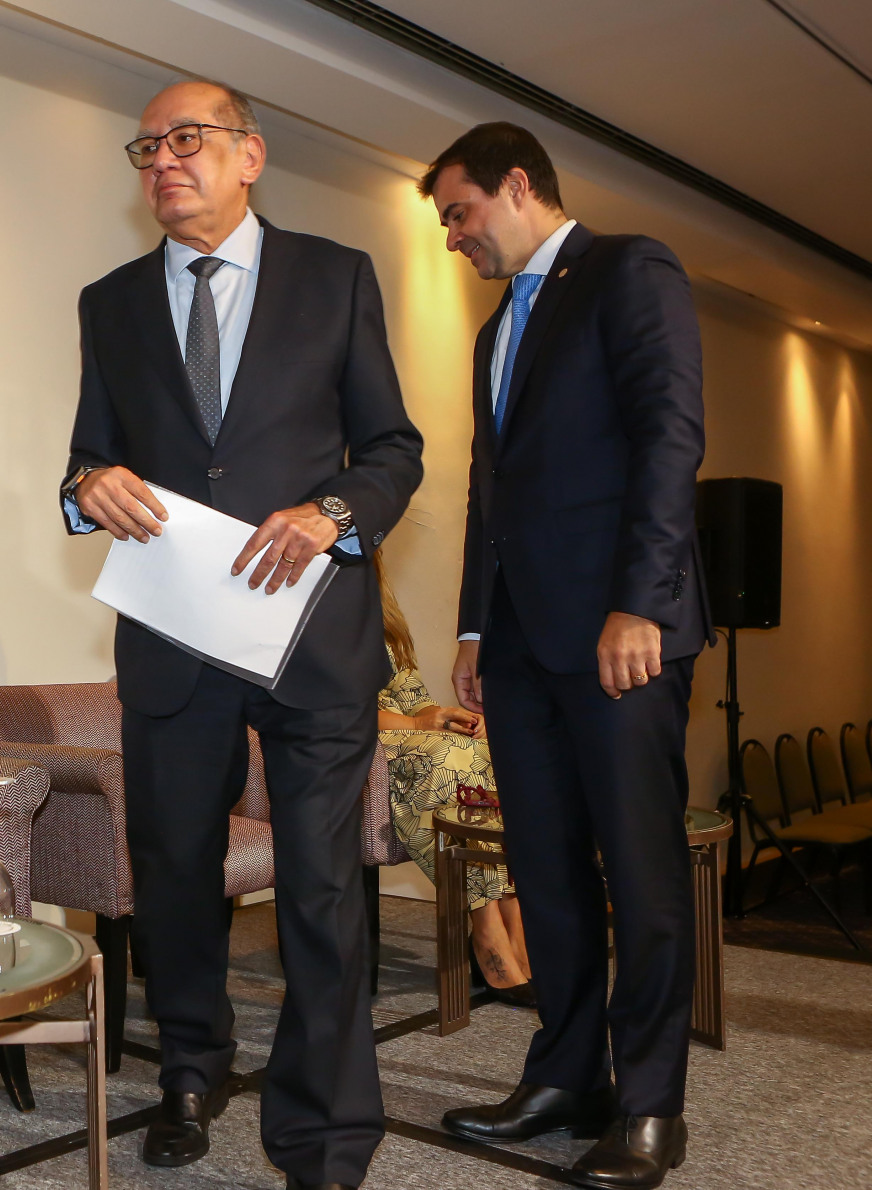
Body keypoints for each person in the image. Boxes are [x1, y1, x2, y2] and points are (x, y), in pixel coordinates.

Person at [64, 79, 423, 1190]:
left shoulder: (336, 277)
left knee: (319, 884)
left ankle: (325, 1130)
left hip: (312, 631)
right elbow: (87, 456)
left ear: (251, 154)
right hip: (174, 636)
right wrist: (88, 488)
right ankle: (189, 1070)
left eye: (188, 139)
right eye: (147, 148)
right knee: (175, 870)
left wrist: (332, 513)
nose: (163, 161)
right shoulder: (111, 302)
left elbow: (394, 449)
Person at [421, 124, 708, 1189]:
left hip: (619, 638)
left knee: (641, 870)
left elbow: (670, 435)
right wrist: (472, 626)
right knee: (544, 869)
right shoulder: (496, 327)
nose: (453, 237)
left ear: (517, 184)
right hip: (520, 645)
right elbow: (485, 488)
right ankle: (565, 1076)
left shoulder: (628, 269)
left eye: (459, 213)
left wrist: (640, 602)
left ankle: (650, 1105)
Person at [371, 551, 532, 1005]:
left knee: (486, 748)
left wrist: (446, 717)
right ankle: (486, 931)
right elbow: (335, 711)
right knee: (447, 759)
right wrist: (419, 725)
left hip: (407, 737)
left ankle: (513, 917)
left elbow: (415, 700)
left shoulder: (382, 623)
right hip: (353, 745)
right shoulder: (308, 618)